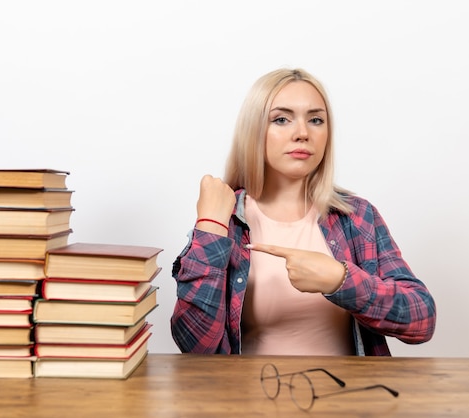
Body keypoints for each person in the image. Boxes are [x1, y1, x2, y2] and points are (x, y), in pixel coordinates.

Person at [170, 68, 436, 356]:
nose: (302, 133)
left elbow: (421, 320)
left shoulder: (357, 217)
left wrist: (340, 281)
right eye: (281, 119)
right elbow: (195, 346)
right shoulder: (226, 220)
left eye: (316, 120)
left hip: (350, 399)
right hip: (249, 399)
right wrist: (209, 227)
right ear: (254, 130)